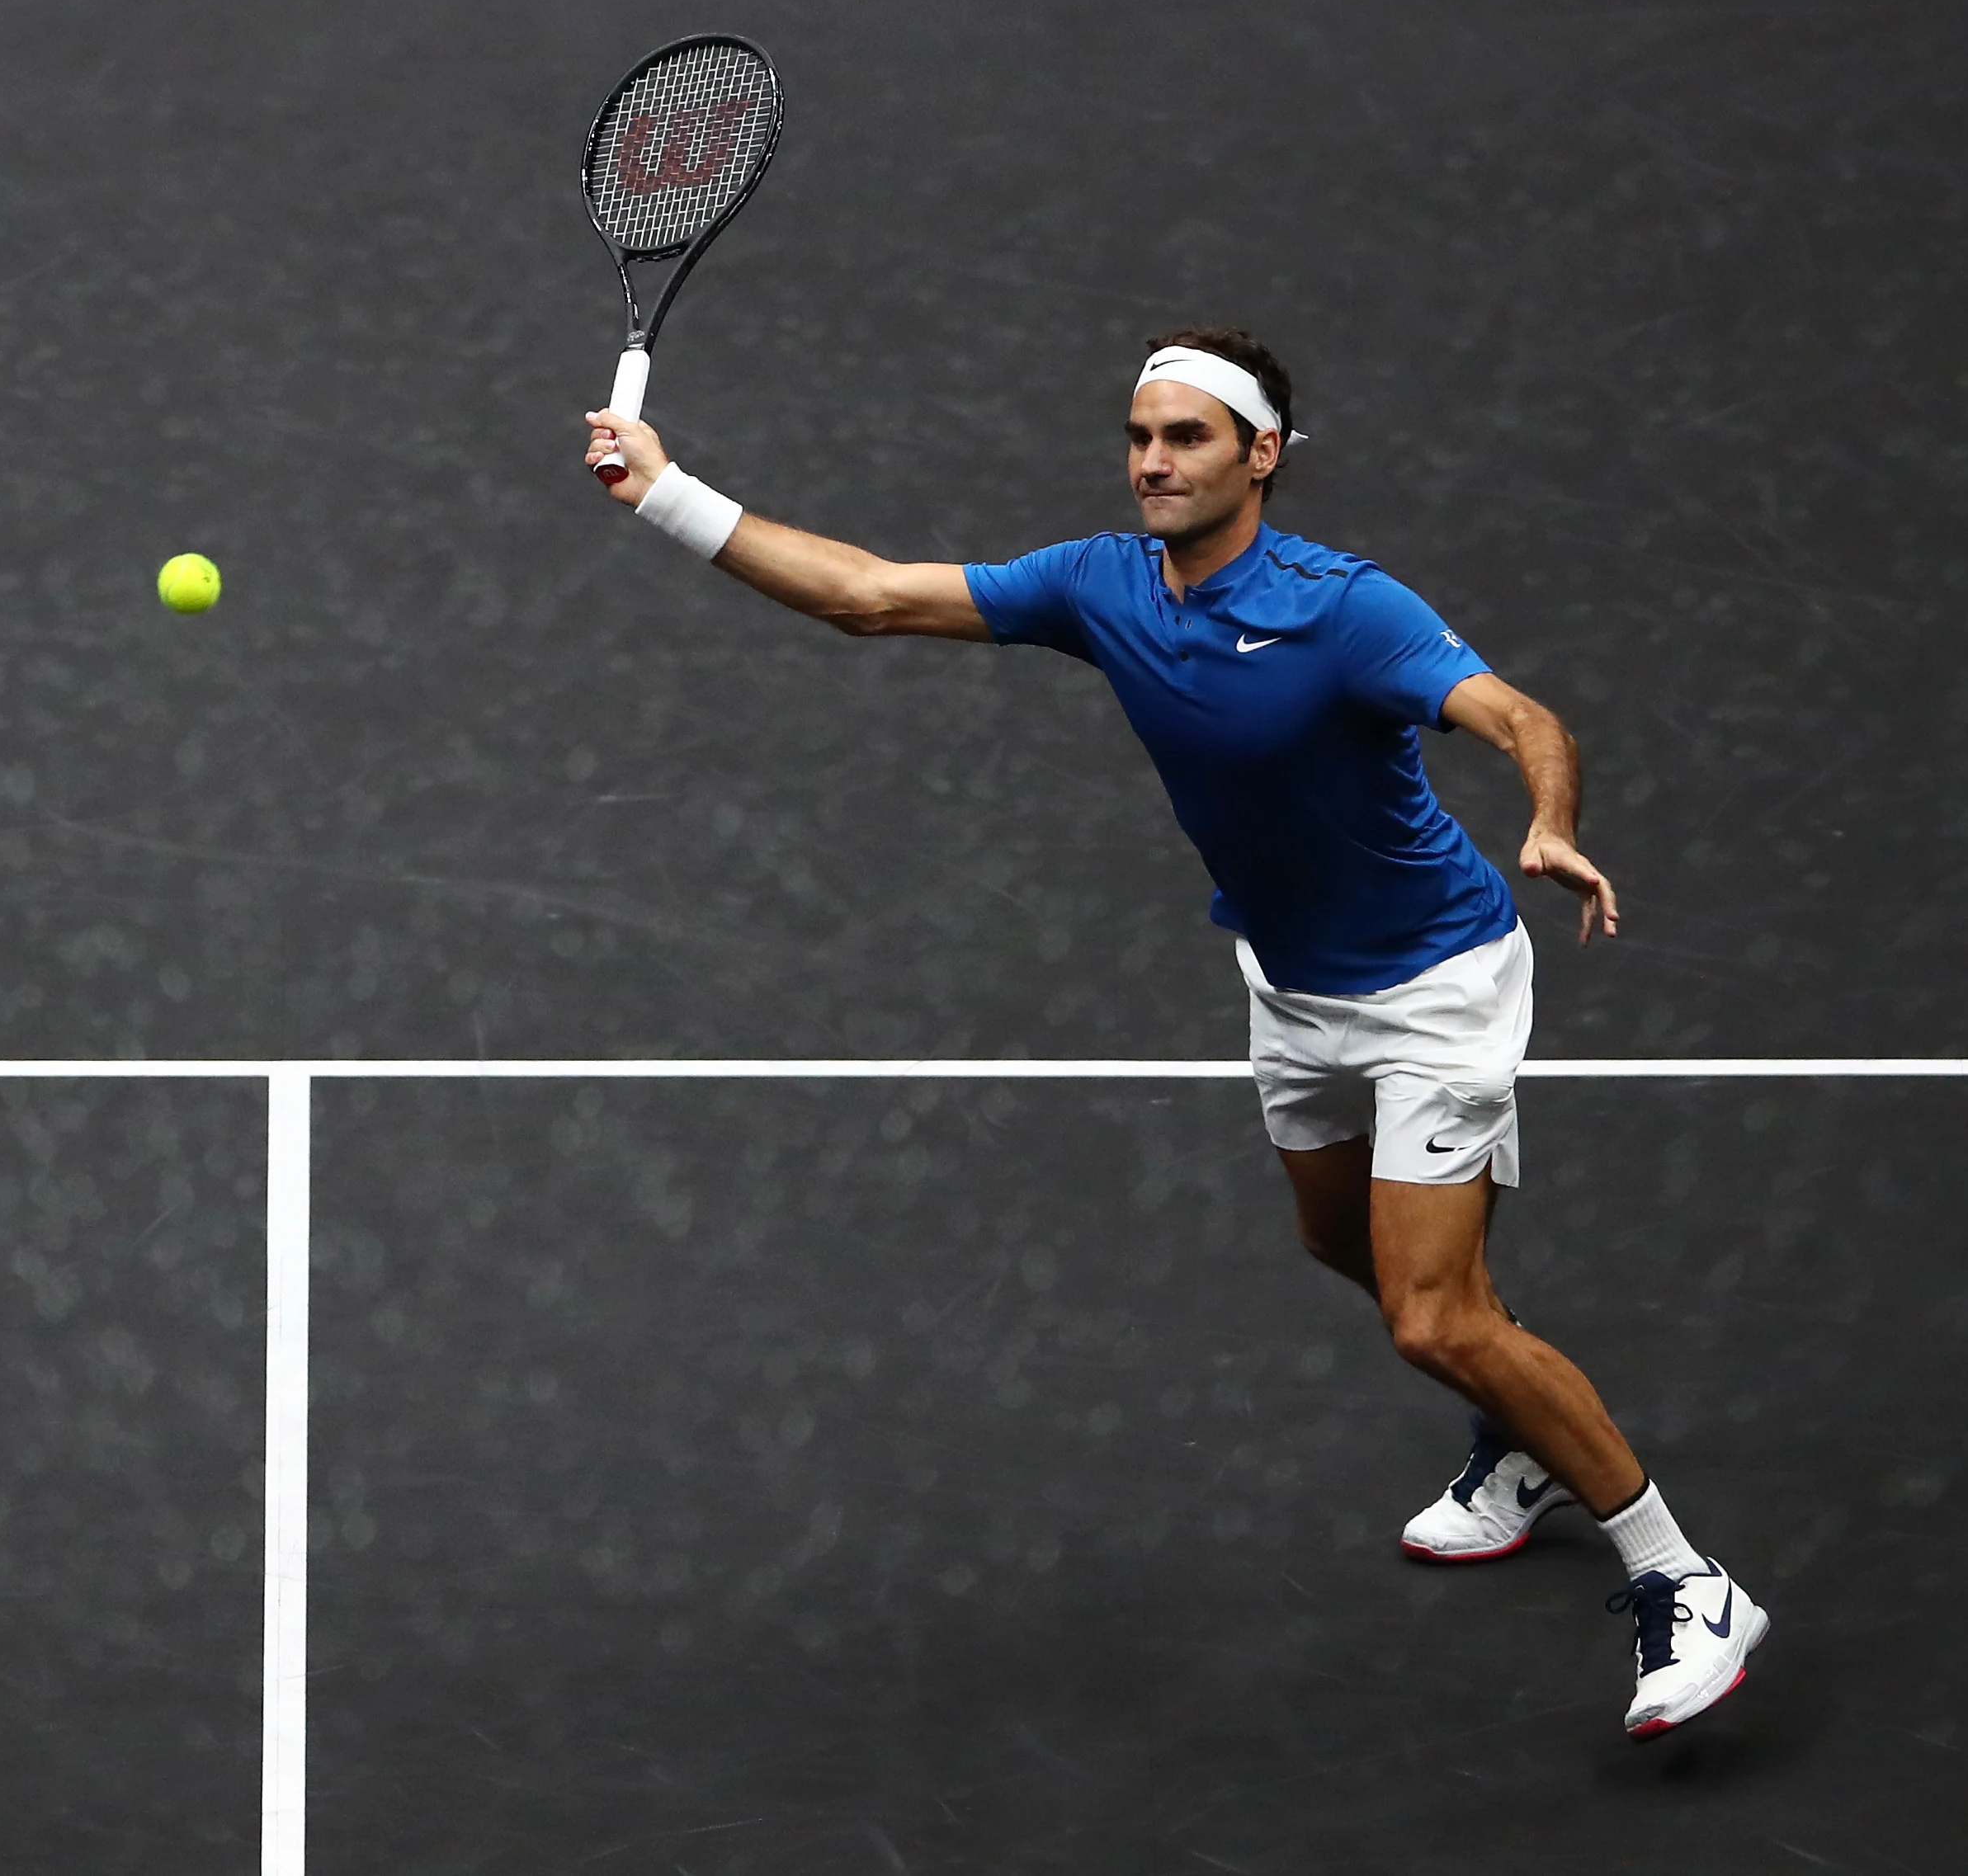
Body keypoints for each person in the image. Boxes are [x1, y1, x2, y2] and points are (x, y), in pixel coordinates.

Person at [582, 328, 1764, 1740]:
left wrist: (1552, 822)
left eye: (1188, 437)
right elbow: (873, 599)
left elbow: (1518, 714)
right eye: (1140, 434)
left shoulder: (1346, 610)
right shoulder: (1101, 584)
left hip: (1436, 983)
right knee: (1346, 1249)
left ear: (1261, 455)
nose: (1152, 460)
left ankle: (1683, 1578)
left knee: (1429, 1314)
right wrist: (665, 489)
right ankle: (1524, 1440)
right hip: (1292, 981)